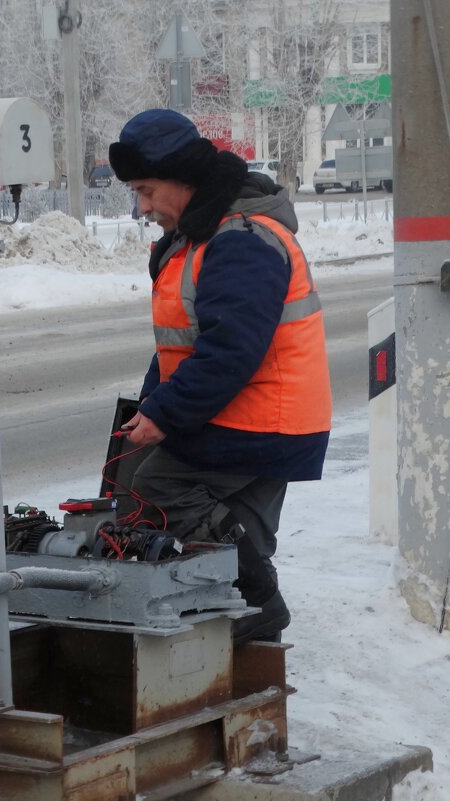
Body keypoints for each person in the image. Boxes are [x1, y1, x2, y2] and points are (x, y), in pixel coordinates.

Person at [108, 109, 332, 643]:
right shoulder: (206, 234)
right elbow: (182, 346)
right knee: (241, 528)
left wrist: (163, 413)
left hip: (263, 415)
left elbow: (230, 349)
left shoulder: (240, 239)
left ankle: (256, 604)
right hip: (258, 412)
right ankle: (246, 636)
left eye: (146, 190)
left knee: (155, 488)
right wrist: (151, 404)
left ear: (182, 179)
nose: (142, 207)